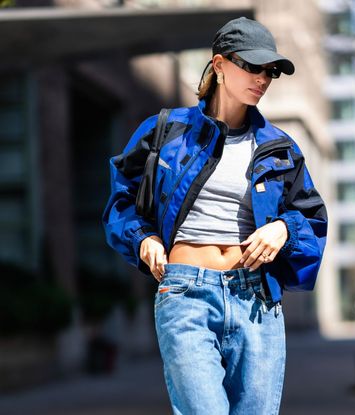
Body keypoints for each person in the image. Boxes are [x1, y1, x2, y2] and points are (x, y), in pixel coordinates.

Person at [103, 16, 328, 415]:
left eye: (270, 71)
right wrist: (144, 238)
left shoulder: (280, 148)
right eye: (252, 66)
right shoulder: (166, 131)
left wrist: (283, 229)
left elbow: (311, 219)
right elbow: (120, 201)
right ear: (220, 65)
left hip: (256, 299)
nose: (263, 78)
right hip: (186, 295)